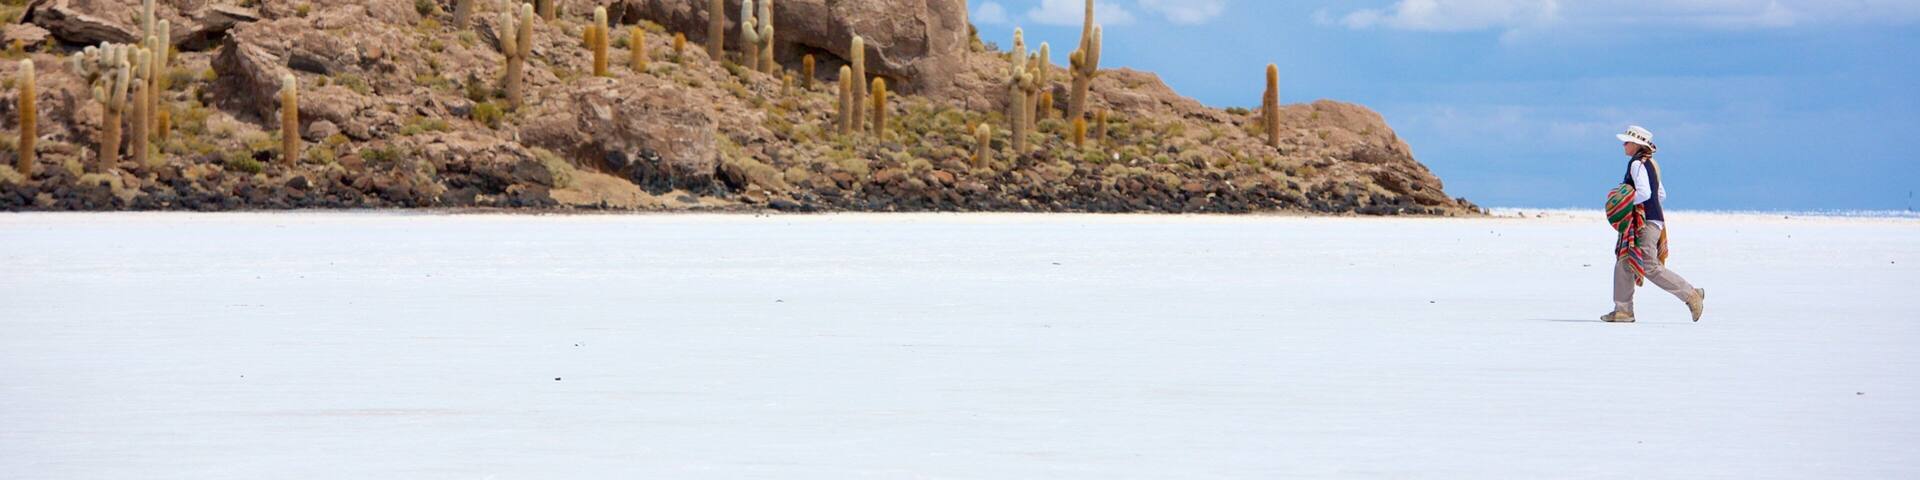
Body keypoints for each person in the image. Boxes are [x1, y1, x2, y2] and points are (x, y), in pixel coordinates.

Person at [1602, 126, 1706, 323]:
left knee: (1649, 266)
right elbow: (1661, 195)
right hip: (1653, 220)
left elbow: (1646, 193)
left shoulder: (1637, 164)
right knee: (1624, 262)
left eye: (1627, 142)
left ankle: (1691, 294)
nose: (1623, 145)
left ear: (1637, 144)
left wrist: (1626, 203)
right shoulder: (1652, 164)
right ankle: (1623, 310)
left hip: (1645, 222)